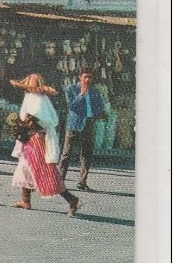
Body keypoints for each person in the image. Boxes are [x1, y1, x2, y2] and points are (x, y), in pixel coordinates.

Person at [9, 74, 82, 216]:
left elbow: (46, 120)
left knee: (45, 171)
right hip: (29, 139)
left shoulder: (41, 100)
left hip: (37, 139)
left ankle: (72, 199)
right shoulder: (30, 97)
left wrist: (30, 124)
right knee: (24, 168)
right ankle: (26, 201)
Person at [59, 68, 105, 191]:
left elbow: (100, 106)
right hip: (74, 124)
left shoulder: (95, 91)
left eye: (90, 77)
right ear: (80, 77)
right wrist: (81, 95)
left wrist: (96, 114)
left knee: (86, 154)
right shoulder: (71, 89)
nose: (88, 79)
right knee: (66, 153)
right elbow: (71, 106)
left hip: (88, 124)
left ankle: (82, 181)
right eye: (85, 77)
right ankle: (59, 181)